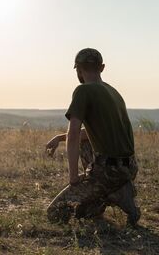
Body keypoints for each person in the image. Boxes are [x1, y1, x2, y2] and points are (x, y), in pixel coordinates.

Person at [45, 48, 140, 226]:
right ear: (102, 68)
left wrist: (73, 178)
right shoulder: (113, 91)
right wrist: (59, 138)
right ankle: (114, 190)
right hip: (129, 167)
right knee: (86, 212)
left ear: (78, 70)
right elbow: (95, 132)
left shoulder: (83, 91)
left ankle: (116, 193)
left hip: (108, 172)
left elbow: (74, 135)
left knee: (56, 214)